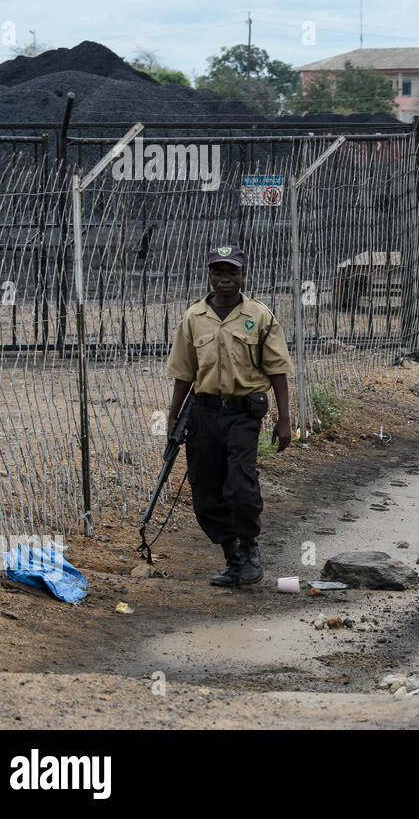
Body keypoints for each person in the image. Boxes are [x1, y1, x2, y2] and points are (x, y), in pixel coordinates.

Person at [163, 245, 294, 587]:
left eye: (232, 272)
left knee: (239, 488)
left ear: (242, 275)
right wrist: (173, 415)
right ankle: (232, 557)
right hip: (203, 414)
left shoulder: (260, 316)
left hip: (242, 415)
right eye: (218, 272)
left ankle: (250, 548)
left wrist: (285, 419)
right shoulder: (193, 318)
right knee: (205, 491)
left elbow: (278, 370)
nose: (225, 279)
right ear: (210, 275)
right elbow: (183, 373)